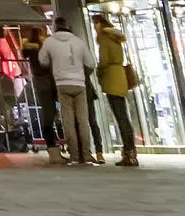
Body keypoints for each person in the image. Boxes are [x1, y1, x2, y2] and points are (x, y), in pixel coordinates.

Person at [38, 19, 96, 166]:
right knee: (83, 121)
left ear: (55, 27)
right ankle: (86, 155)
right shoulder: (78, 41)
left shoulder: (49, 42)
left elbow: (43, 61)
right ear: (68, 26)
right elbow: (91, 63)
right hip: (80, 84)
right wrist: (81, 73)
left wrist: (54, 65)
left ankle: (74, 156)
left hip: (62, 84)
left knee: (68, 121)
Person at [91, 15, 138, 166]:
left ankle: (129, 152)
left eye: (94, 24)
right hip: (120, 77)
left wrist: (99, 71)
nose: (94, 27)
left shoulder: (104, 39)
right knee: (124, 116)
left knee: (120, 116)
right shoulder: (115, 38)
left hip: (111, 78)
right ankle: (131, 152)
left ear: (99, 24)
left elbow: (104, 60)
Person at [22, 28, 61, 161]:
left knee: (47, 114)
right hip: (52, 80)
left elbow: (24, 54)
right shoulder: (46, 46)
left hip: (39, 82)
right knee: (56, 114)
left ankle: (52, 149)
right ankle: (59, 146)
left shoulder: (29, 49)